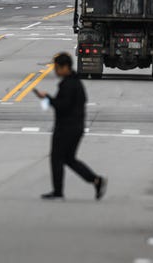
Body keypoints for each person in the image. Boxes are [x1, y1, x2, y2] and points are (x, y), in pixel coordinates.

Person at [34, 53, 107, 200]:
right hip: (76, 127)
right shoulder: (75, 82)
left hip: (66, 128)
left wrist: (47, 98)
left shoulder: (69, 84)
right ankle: (96, 180)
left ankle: (58, 191)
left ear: (65, 67)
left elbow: (63, 106)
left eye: (57, 68)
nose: (55, 71)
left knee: (56, 158)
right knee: (68, 158)